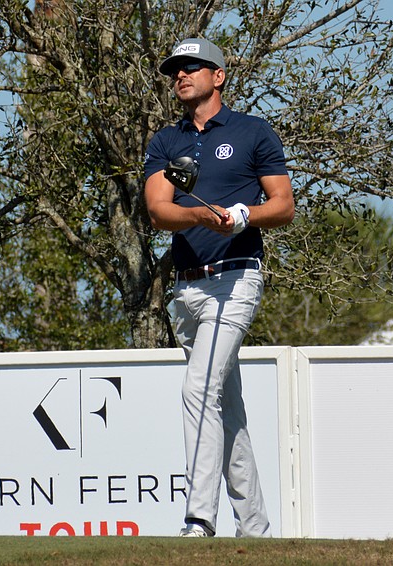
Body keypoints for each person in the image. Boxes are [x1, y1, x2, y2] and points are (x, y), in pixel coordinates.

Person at [143, 37, 295, 538]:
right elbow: (158, 210)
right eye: (176, 70)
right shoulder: (167, 140)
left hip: (235, 278)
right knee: (226, 410)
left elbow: (283, 205)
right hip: (187, 289)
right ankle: (255, 529)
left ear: (219, 75)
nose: (181, 75)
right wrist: (200, 216)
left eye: (193, 67)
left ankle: (198, 520)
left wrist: (244, 215)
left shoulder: (253, 131)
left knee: (198, 390)